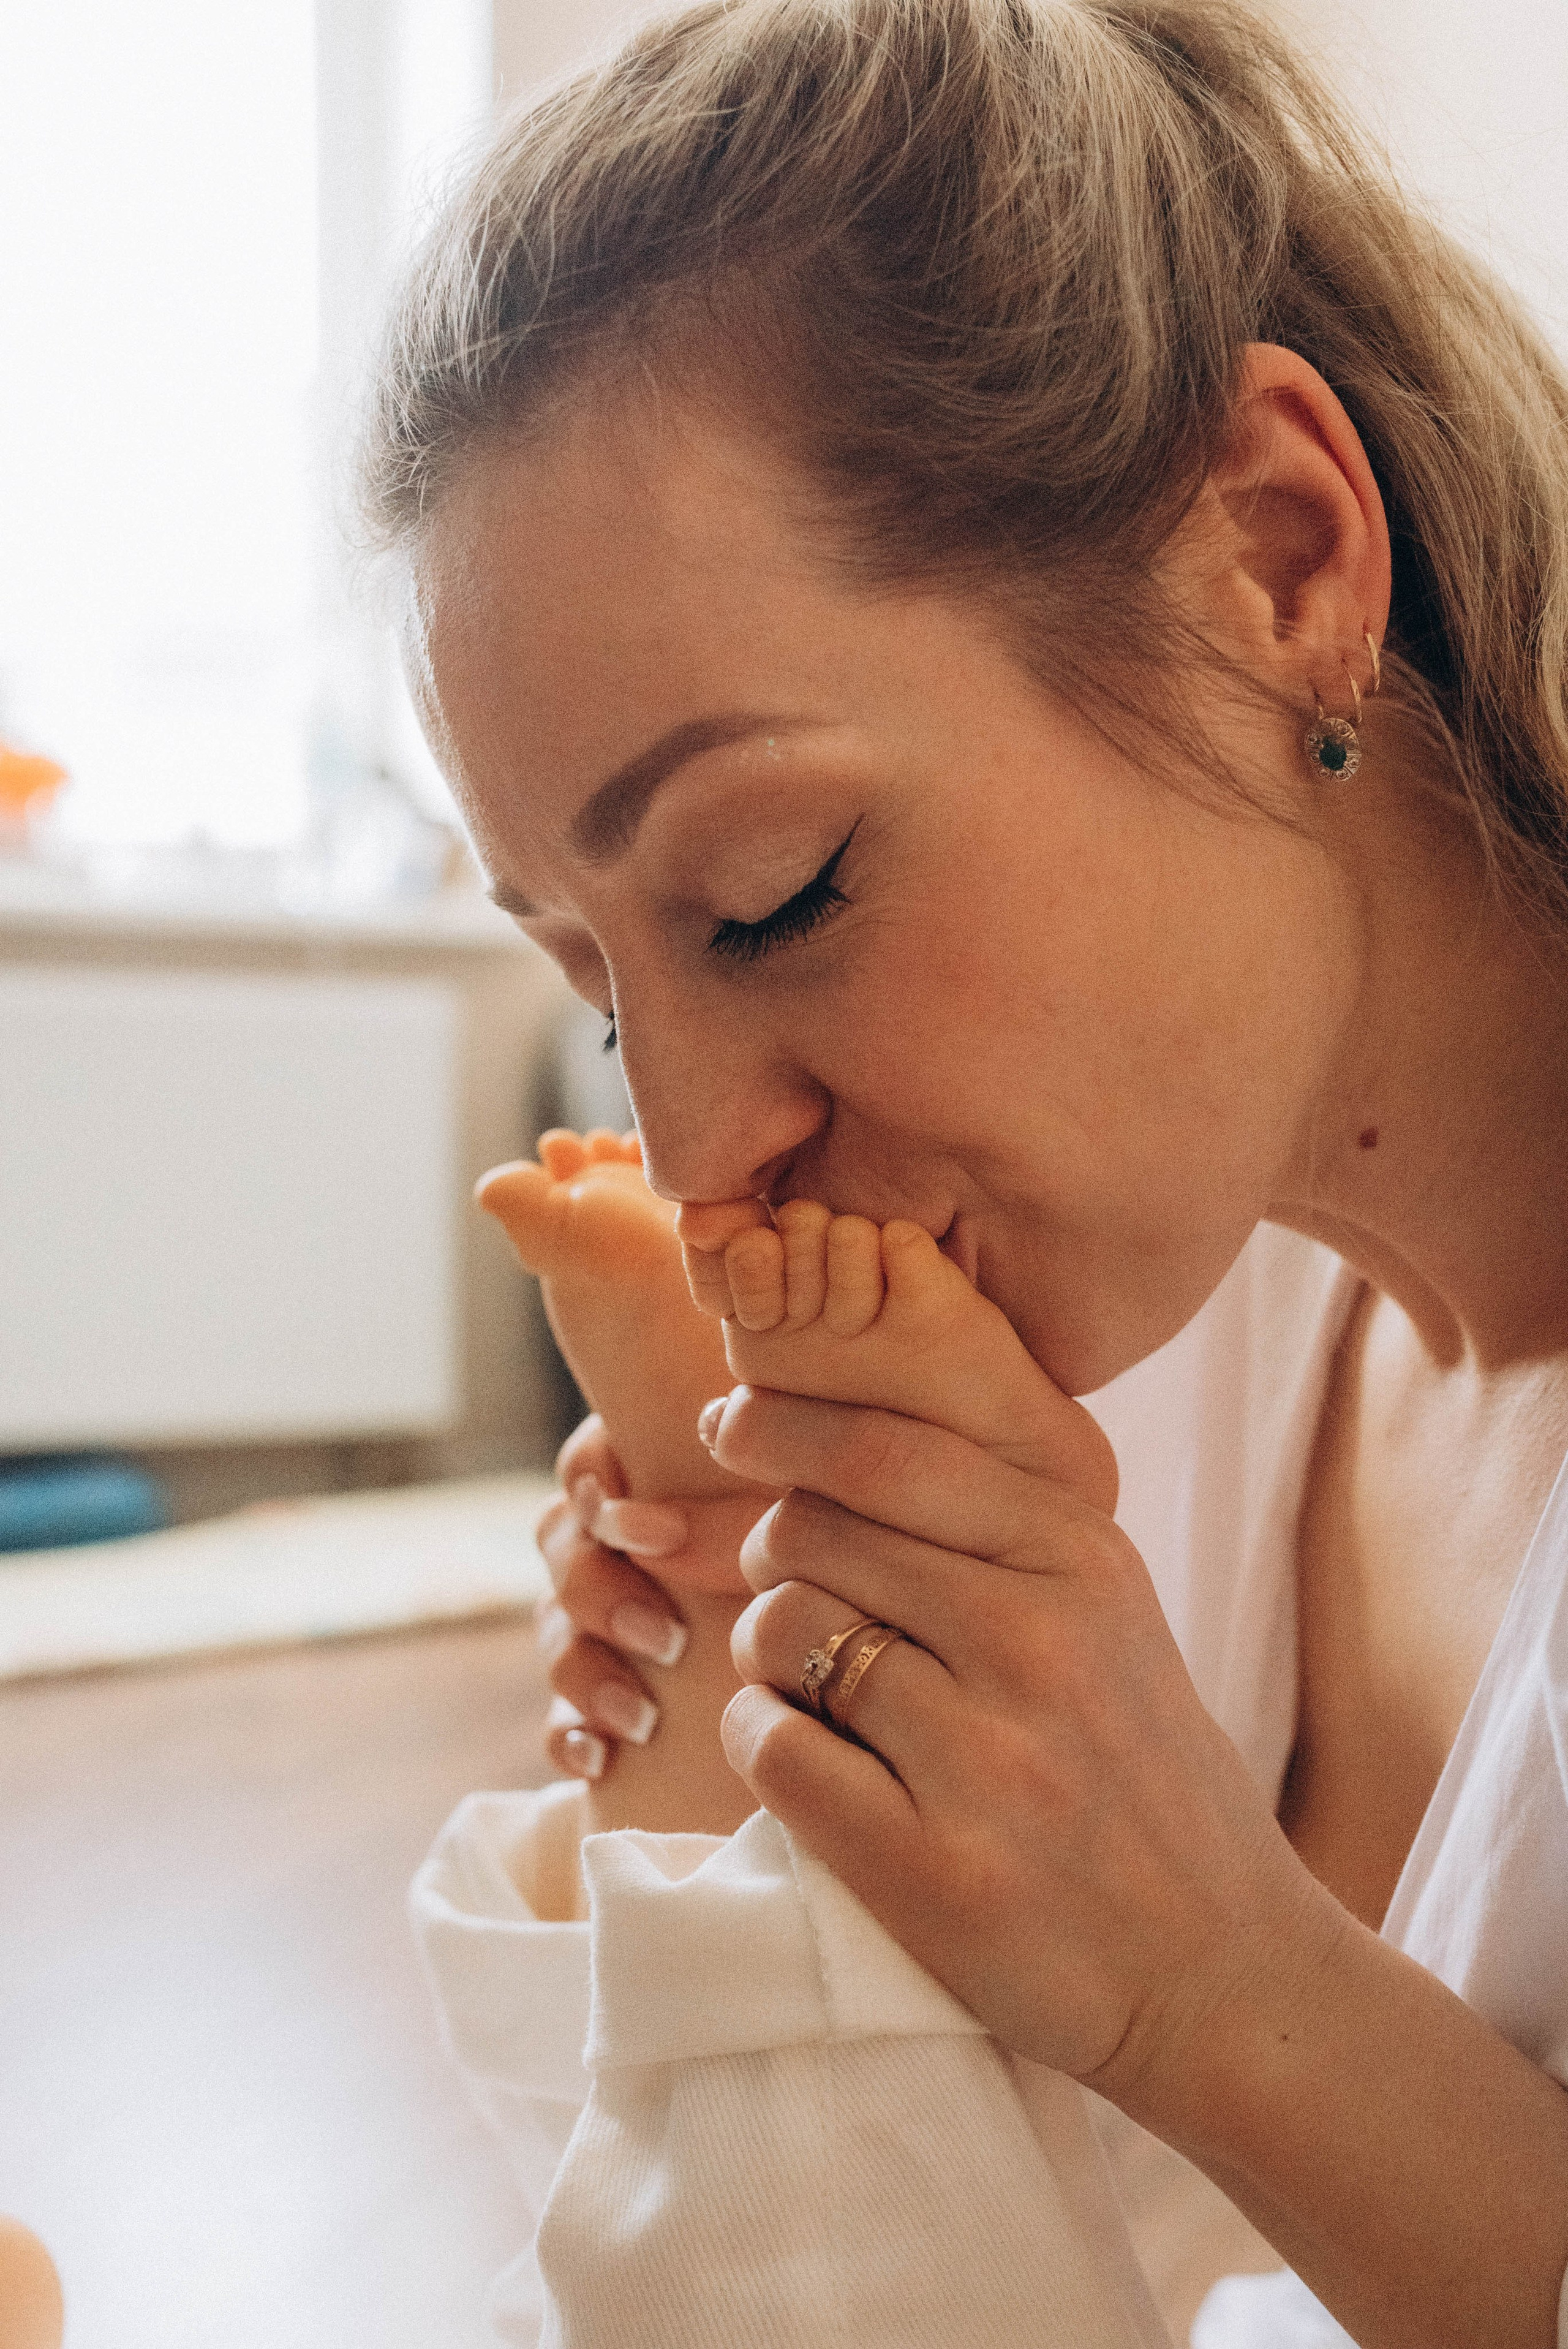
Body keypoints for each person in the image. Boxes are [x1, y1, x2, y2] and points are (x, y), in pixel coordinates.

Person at [363, 1, 1568, 2339]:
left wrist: (1204, 1968)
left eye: (777, 887)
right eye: (610, 988)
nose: (707, 1155)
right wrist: (764, 1765)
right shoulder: (1180, 1290)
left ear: (1276, 552)